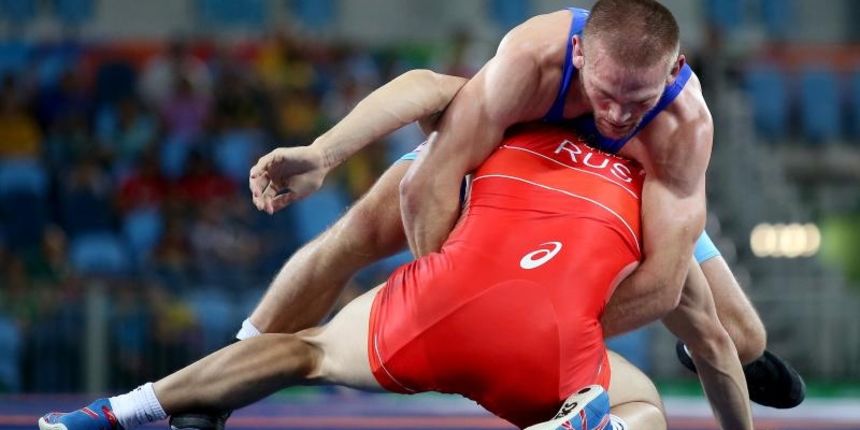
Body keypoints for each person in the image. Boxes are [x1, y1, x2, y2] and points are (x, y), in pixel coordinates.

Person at [247, 0, 802, 414]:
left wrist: (551, 326)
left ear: (672, 70)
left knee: (742, 340)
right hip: (505, 168)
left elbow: (662, 282)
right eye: (604, 95)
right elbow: (429, 154)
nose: (615, 116)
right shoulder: (533, 57)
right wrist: (457, 293)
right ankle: (240, 359)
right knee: (356, 233)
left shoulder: (686, 125)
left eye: (638, 102)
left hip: (617, 194)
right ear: (580, 54)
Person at [40, 122, 748, 430]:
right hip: (552, 353)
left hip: (432, 302)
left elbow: (417, 93)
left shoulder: (514, 106)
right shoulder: (666, 206)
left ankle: (116, 412)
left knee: (307, 348)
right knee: (645, 405)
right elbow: (716, 345)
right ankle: (596, 423)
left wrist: (326, 153)